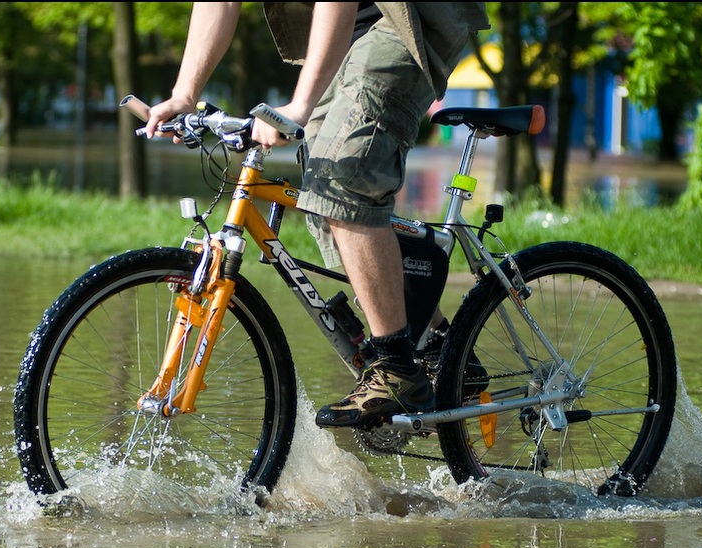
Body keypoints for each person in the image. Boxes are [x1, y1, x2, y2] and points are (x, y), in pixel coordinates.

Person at [144, 2, 490, 430]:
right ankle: (438, 345)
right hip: (349, 31)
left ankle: (397, 368)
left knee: (346, 179)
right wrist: (184, 94)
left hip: (408, 17)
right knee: (322, 200)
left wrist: (300, 105)